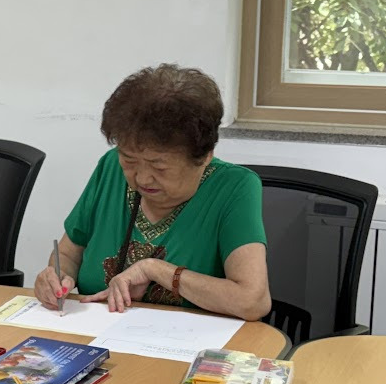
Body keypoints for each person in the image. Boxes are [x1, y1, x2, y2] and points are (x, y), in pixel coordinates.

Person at [33, 64, 270, 321]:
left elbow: (252, 301)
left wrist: (155, 270)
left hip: (185, 341)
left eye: (159, 166)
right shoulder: (111, 167)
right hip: (98, 334)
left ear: (204, 156)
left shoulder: (234, 187)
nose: (142, 178)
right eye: (129, 160)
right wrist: (56, 277)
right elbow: (68, 254)